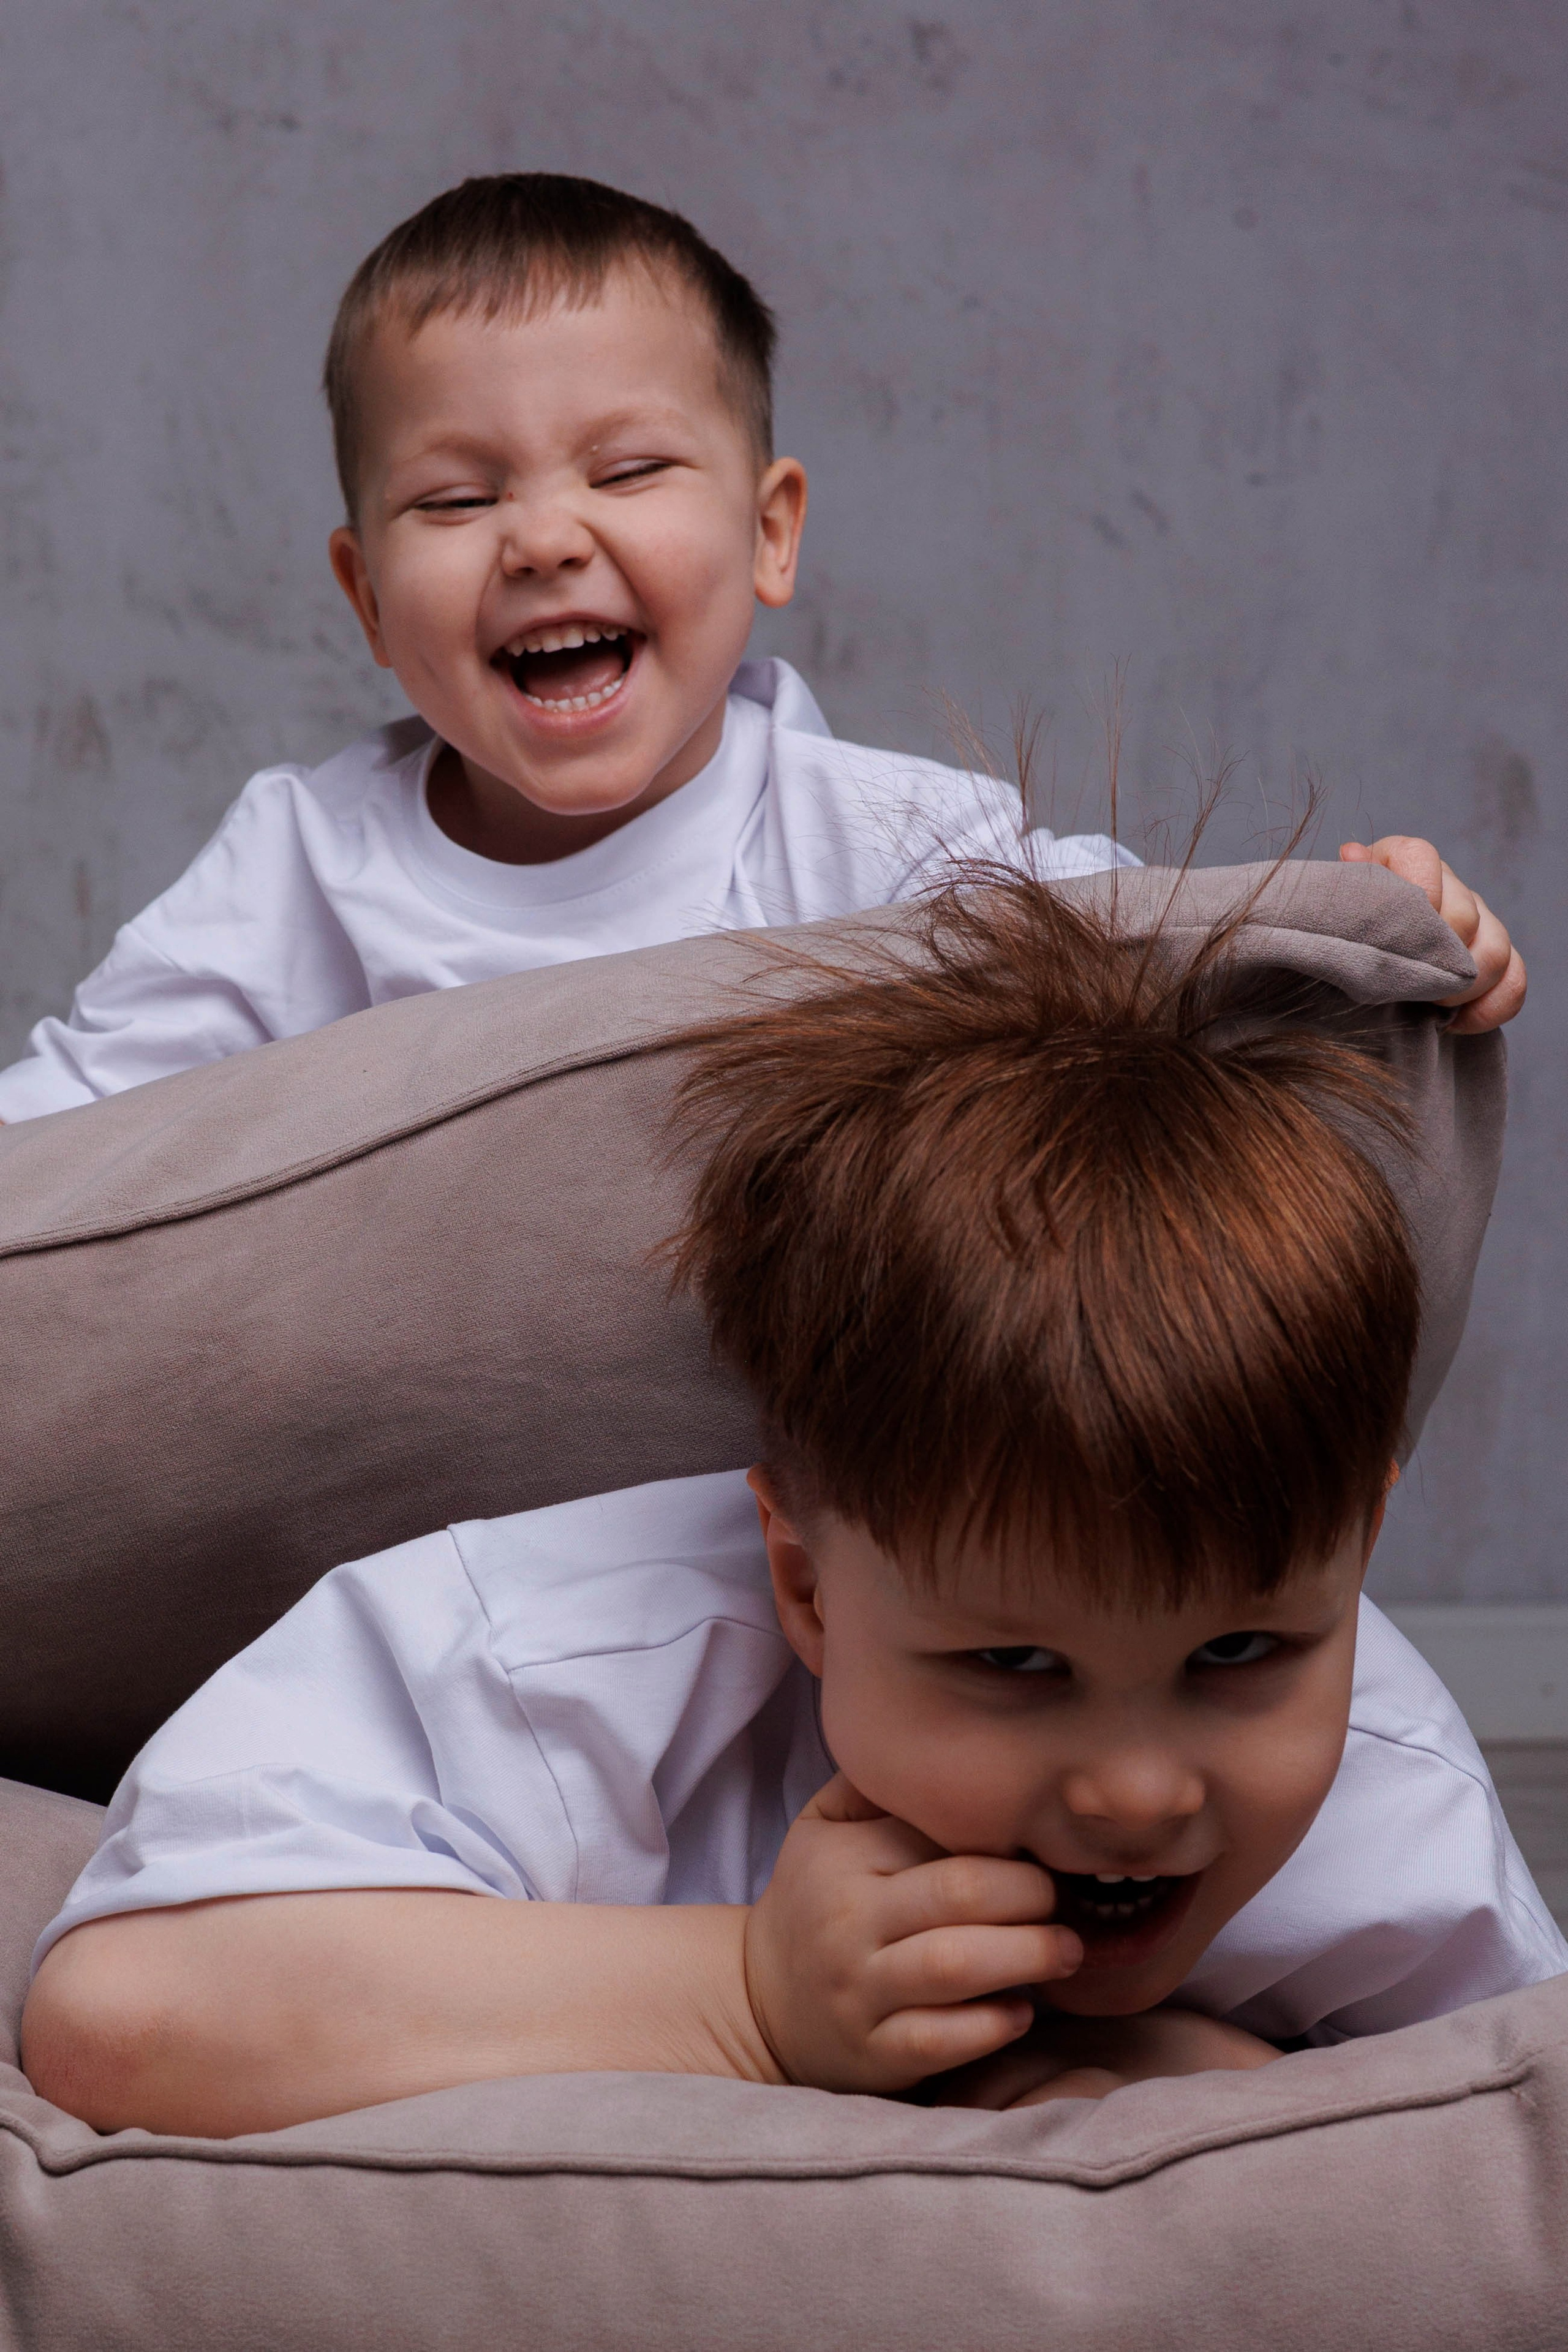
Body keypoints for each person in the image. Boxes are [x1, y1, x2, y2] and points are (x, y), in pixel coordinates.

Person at [23, 863, 1563, 2136]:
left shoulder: (1388, 1797)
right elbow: (121, 2023)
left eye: (1236, 1657)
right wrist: (750, 1997)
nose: (1136, 1793)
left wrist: (1208, 2082)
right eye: (1013, 1667)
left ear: (1357, 1544)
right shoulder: (554, 1661)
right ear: (805, 1583)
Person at [0, 175, 1525, 1122]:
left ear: (770, 533)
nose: (540, 541)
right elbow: (66, 1135)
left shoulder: (867, 838)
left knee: (1350, 1663)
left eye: (627, 472)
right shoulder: (303, 866)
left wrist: (1361, 926)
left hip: (798, 1525)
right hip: (411, 1545)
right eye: (456, 499)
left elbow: (1155, 960)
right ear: (364, 599)